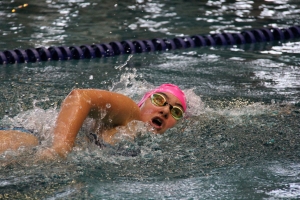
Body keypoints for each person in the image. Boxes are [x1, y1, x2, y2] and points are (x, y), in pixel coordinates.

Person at [0, 83, 186, 158]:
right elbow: (79, 97)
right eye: (159, 100)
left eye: (176, 111)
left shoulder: (142, 140)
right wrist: (59, 148)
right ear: (143, 102)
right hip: (35, 136)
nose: (165, 110)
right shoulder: (131, 113)